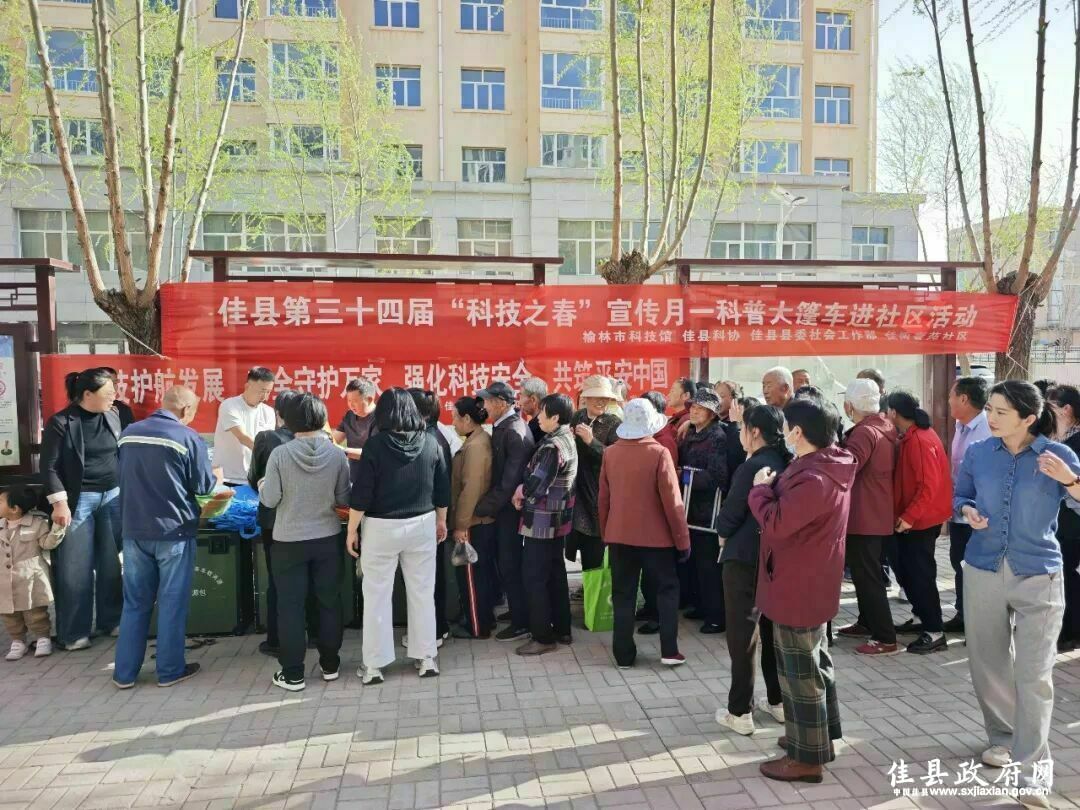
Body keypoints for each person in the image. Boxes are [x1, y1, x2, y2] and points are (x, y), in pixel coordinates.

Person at [954, 381, 1080, 806]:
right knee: (987, 661)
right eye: (989, 409)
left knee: (1034, 675)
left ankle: (1032, 775)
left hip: (1039, 574)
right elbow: (960, 497)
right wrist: (967, 511)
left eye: (1001, 412)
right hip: (983, 567)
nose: (990, 417)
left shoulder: (1057, 455)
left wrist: (1070, 480)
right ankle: (1003, 737)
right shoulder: (978, 453)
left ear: (1028, 417)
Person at [749, 398, 855, 784]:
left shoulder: (816, 477)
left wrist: (759, 491)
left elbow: (777, 522)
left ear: (797, 432)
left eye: (786, 427)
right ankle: (818, 736)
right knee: (814, 662)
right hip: (808, 578)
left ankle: (806, 758)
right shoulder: (825, 464)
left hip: (799, 583)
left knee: (800, 673)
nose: (783, 434)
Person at [112, 386, 217, 688]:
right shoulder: (187, 437)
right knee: (172, 602)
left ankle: (124, 674)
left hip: (134, 529)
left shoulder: (129, 434)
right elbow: (204, 487)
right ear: (185, 410)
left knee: (135, 603)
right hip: (174, 531)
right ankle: (170, 671)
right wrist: (217, 479)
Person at [348, 388, 450, 684]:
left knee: (377, 595)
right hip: (422, 524)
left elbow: (362, 493)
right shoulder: (431, 442)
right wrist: (441, 520)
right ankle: (426, 657)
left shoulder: (375, 445)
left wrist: (352, 529)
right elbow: (442, 488)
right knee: (422, 592)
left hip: (381, 527)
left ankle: (373, 666)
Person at [259, 393, 351, 692]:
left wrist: (262, 484)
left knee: (291, 606)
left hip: (288, 540)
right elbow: (343, 498)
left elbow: (270, 499)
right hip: (327, 537)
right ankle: (330, 665)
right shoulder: (336, 454)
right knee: (329, 601)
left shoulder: (280, 455)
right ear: (322, 418)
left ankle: (293, 673)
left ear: (289, 420)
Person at [713, 404, 790, 736]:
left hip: (743, 559)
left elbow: (729, 516)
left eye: (743, 427)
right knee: (772, 632)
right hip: (774, 558)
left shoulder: (753, 467)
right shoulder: (786, 464)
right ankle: (778, 701)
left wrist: (721, 533)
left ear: (754, 431)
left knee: (742, 636)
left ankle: (740, 710)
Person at [599, 399, 689, 669]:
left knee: (623, 594)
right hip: (656, 539)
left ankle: (623, 655)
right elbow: (673, 502)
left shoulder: (610, 453)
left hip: (619, 536)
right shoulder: (659, 453)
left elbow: (603, 500)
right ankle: (669, 651)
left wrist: (606, 533)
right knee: (667, 590)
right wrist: (682, 540)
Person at [40, 368, 123, 650]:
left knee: (111, 564)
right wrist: (59, 503)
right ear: (88, 394)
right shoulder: (61, 422)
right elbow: (49, 467)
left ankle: (112, 620)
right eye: (108, 393)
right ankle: (74, 632)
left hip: (112, 496)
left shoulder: (114, 415)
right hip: (78, 502)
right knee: (76, 568)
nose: (113, 397)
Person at [885, 390, 953, 655]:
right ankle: (921, 619)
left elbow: (928, 486)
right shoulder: (913, 435)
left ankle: (935, 632)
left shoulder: (920, 440)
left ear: (893, 412)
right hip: (915, 519)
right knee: (908, 571)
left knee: (921, 575)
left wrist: (908, 517)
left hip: (920, 521)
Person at [512, 393, 578, 656]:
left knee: (534, 578)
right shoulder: (567, 438)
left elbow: (537, 485)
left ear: (555, 417)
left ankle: (542, 636)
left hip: (542, 521)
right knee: (555, 574)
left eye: (542, 413)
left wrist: (521, 492)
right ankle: (562, 629)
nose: (538, 417)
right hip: (558, 520)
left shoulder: (553, 447)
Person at [838, 378, 899, 655]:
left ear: (850, 406)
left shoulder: (864, 433)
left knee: (868, 577)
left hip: (864, 516)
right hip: (876, 512)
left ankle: (885, 637)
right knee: (865, 575)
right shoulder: (883, 426)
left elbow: (847, 467)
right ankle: (866, 622)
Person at [473, 381, 534, 642]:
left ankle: (522, 622)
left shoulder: (513, 431)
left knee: (510, 564)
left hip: (511, 510)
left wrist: (480, 508)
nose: (484, 406)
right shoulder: (506, 426)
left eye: (487, 401)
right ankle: (518, 610)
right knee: (506, 563)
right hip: (503, 509)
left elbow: (509, 482)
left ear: (500, 403)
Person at [248, 390, 307, 657]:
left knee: (279, 580)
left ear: (278, 413)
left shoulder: (267, 438)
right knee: (312, 578)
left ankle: (277, 640)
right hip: (311, 520)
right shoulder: (319, 440)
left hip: (275, 521)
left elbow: (255, 478)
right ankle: (314, 634)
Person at [678, 388, 729, 633]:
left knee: (709, 567)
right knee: (696, 564)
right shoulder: (692, 432)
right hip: (690, 510)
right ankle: (701, 606)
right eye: (693, 407)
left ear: (712, 413)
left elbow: (718, 477)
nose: (694, 411)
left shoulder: (717, 437)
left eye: (700, 408)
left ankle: (716, 617)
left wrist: (685, 476)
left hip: (708, 513)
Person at [946, 376, 992, 633]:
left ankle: (978, 620)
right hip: (959, 510)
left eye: (952, 396)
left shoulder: (987, 429)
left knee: (975, 568)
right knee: (958, 562)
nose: (948, 400)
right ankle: (963, 614)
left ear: (963, 399)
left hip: (979, 515)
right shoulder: (960, 426)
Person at [449, 396, 496, 640]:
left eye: (455, 418)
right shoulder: (477, 440)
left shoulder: (476, 446)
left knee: (472, 578)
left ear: (467, 418)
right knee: (481, 577)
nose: (453, 423)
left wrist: (461, 525)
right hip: (478, 520)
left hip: (473, 522)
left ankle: (477, 627)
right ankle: (483, 618)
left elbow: (471, 489)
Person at [567, 375, 622, 578]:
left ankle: (597, 591)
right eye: (596, 397)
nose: (601, 402)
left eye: (605, 398)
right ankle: (588, 588)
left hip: (598, 494)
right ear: (586, 398)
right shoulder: (577, 417)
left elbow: (617, 459)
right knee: (580, 543)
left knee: (596, 547)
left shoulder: (614, 423)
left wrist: (592, 442)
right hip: (577, 491)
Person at [410, 388, 453, 645]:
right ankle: (438, 627)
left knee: (429, 579)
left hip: (431, 518)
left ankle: (434, 631)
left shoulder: (429, 439)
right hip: (434, 517)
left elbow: (441, 486)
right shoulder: (433, 434)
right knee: (431, 576)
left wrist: (441, 520)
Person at [0, 486, 61, 660]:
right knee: (9, 614)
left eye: (0, 501)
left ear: (14, 508)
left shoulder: (37, 524)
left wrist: (58, 527)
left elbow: (47, 544)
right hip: (4, 581)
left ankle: (43, 638)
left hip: (30, 579)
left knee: (36, 612)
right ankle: (17, 640)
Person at [1049, 384, 1080, 652]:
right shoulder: (1060, 438)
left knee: (1070, 578)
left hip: (1073, 523)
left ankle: (1070, 632)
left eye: (1051, 408)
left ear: (1066, 410)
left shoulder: (1075, 443)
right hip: (1063, 522)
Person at [213, 367, 276, 486]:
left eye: (268, 392)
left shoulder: (269, 412)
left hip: (253, 479)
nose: (264, 397)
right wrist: (267, 453)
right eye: (261, 391)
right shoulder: (229, 406)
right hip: (227, 478)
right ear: (247, 386)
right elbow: (242, 437)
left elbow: (267, 443)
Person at [332, 378, 378, 481]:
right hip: (354, 475)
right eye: (349, 401)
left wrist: (343, 451)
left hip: (375, 477)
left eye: (355, 401)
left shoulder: (380, 418)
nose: (351, 405)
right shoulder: (349, 415)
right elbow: (334, 439)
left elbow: (373, 453)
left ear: (369, 399)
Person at [656, 378, 695, 451]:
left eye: (672, 391)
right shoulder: (678, 418)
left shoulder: (687, 420)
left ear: (686, 395)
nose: (668, 395)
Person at [518, 377, 549, 444]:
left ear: (533, 399)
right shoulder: (549, 423)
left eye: (521, 397)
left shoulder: (541, 428)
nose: (519, 403)